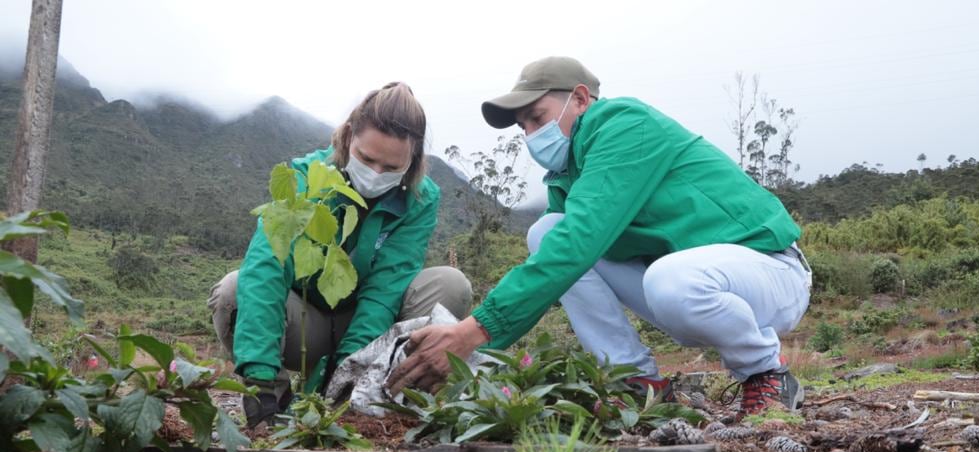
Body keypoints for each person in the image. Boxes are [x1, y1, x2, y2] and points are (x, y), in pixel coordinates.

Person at [388, 58, 811, 419]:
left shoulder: (625, 125)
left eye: (537, 117)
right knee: (546, 232)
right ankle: (635, 381)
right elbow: (560, 258)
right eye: (523, 126)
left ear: (580, 99)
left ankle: (766, 374)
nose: (530, 133)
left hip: (770, 271)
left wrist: (474, 330)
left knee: (660, 275)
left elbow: (580, 240)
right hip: (689, 289)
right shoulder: (567, 177)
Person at [208, 82, 473, 427]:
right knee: (233, 289)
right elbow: (267, 267)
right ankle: (275, 395)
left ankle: (387, 398)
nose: (376, 174)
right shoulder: (305, 179)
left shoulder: (420, 200)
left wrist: (344, 376)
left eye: (391, 167)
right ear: (348, 137)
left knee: (450, 285)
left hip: (372, 331)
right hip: (306, 323)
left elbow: (385, 291)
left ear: (412, 160)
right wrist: (259, 378)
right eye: (366, 159)